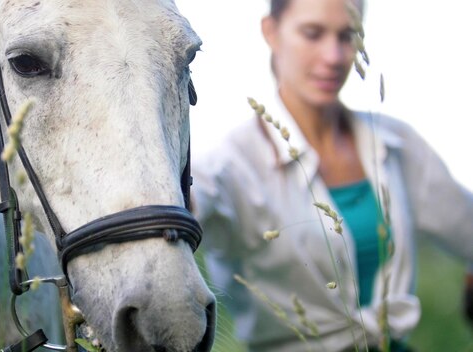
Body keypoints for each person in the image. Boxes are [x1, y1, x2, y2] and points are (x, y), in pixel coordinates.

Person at [191, 0, 473, 351]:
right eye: (313, 34)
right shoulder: (229, 166)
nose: (335, 56)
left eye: (347, 35)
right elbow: (178, 208)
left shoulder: (394, 144)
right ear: (270, 31)